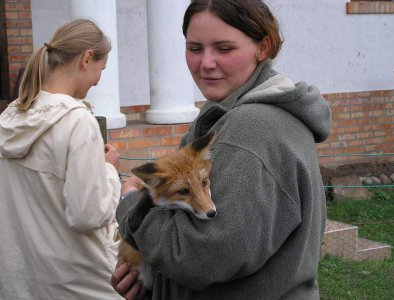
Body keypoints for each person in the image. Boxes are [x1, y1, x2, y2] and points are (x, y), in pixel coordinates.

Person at [112, 0, 332, 299]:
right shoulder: (227, 115)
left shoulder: (252, 129)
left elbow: (201, 257)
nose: (206, 63)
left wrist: (129, 201)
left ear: (263, 48)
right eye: (195, 48)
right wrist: (150, 280)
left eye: (224, 49)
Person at [0, 19, 124, 299]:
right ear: (87, 58)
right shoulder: (78, 121)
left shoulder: (9, 117)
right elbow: (87, 215)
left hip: (22, 283)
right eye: (100, 69)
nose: (99, 80)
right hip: (82, 285)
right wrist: (109, 172)